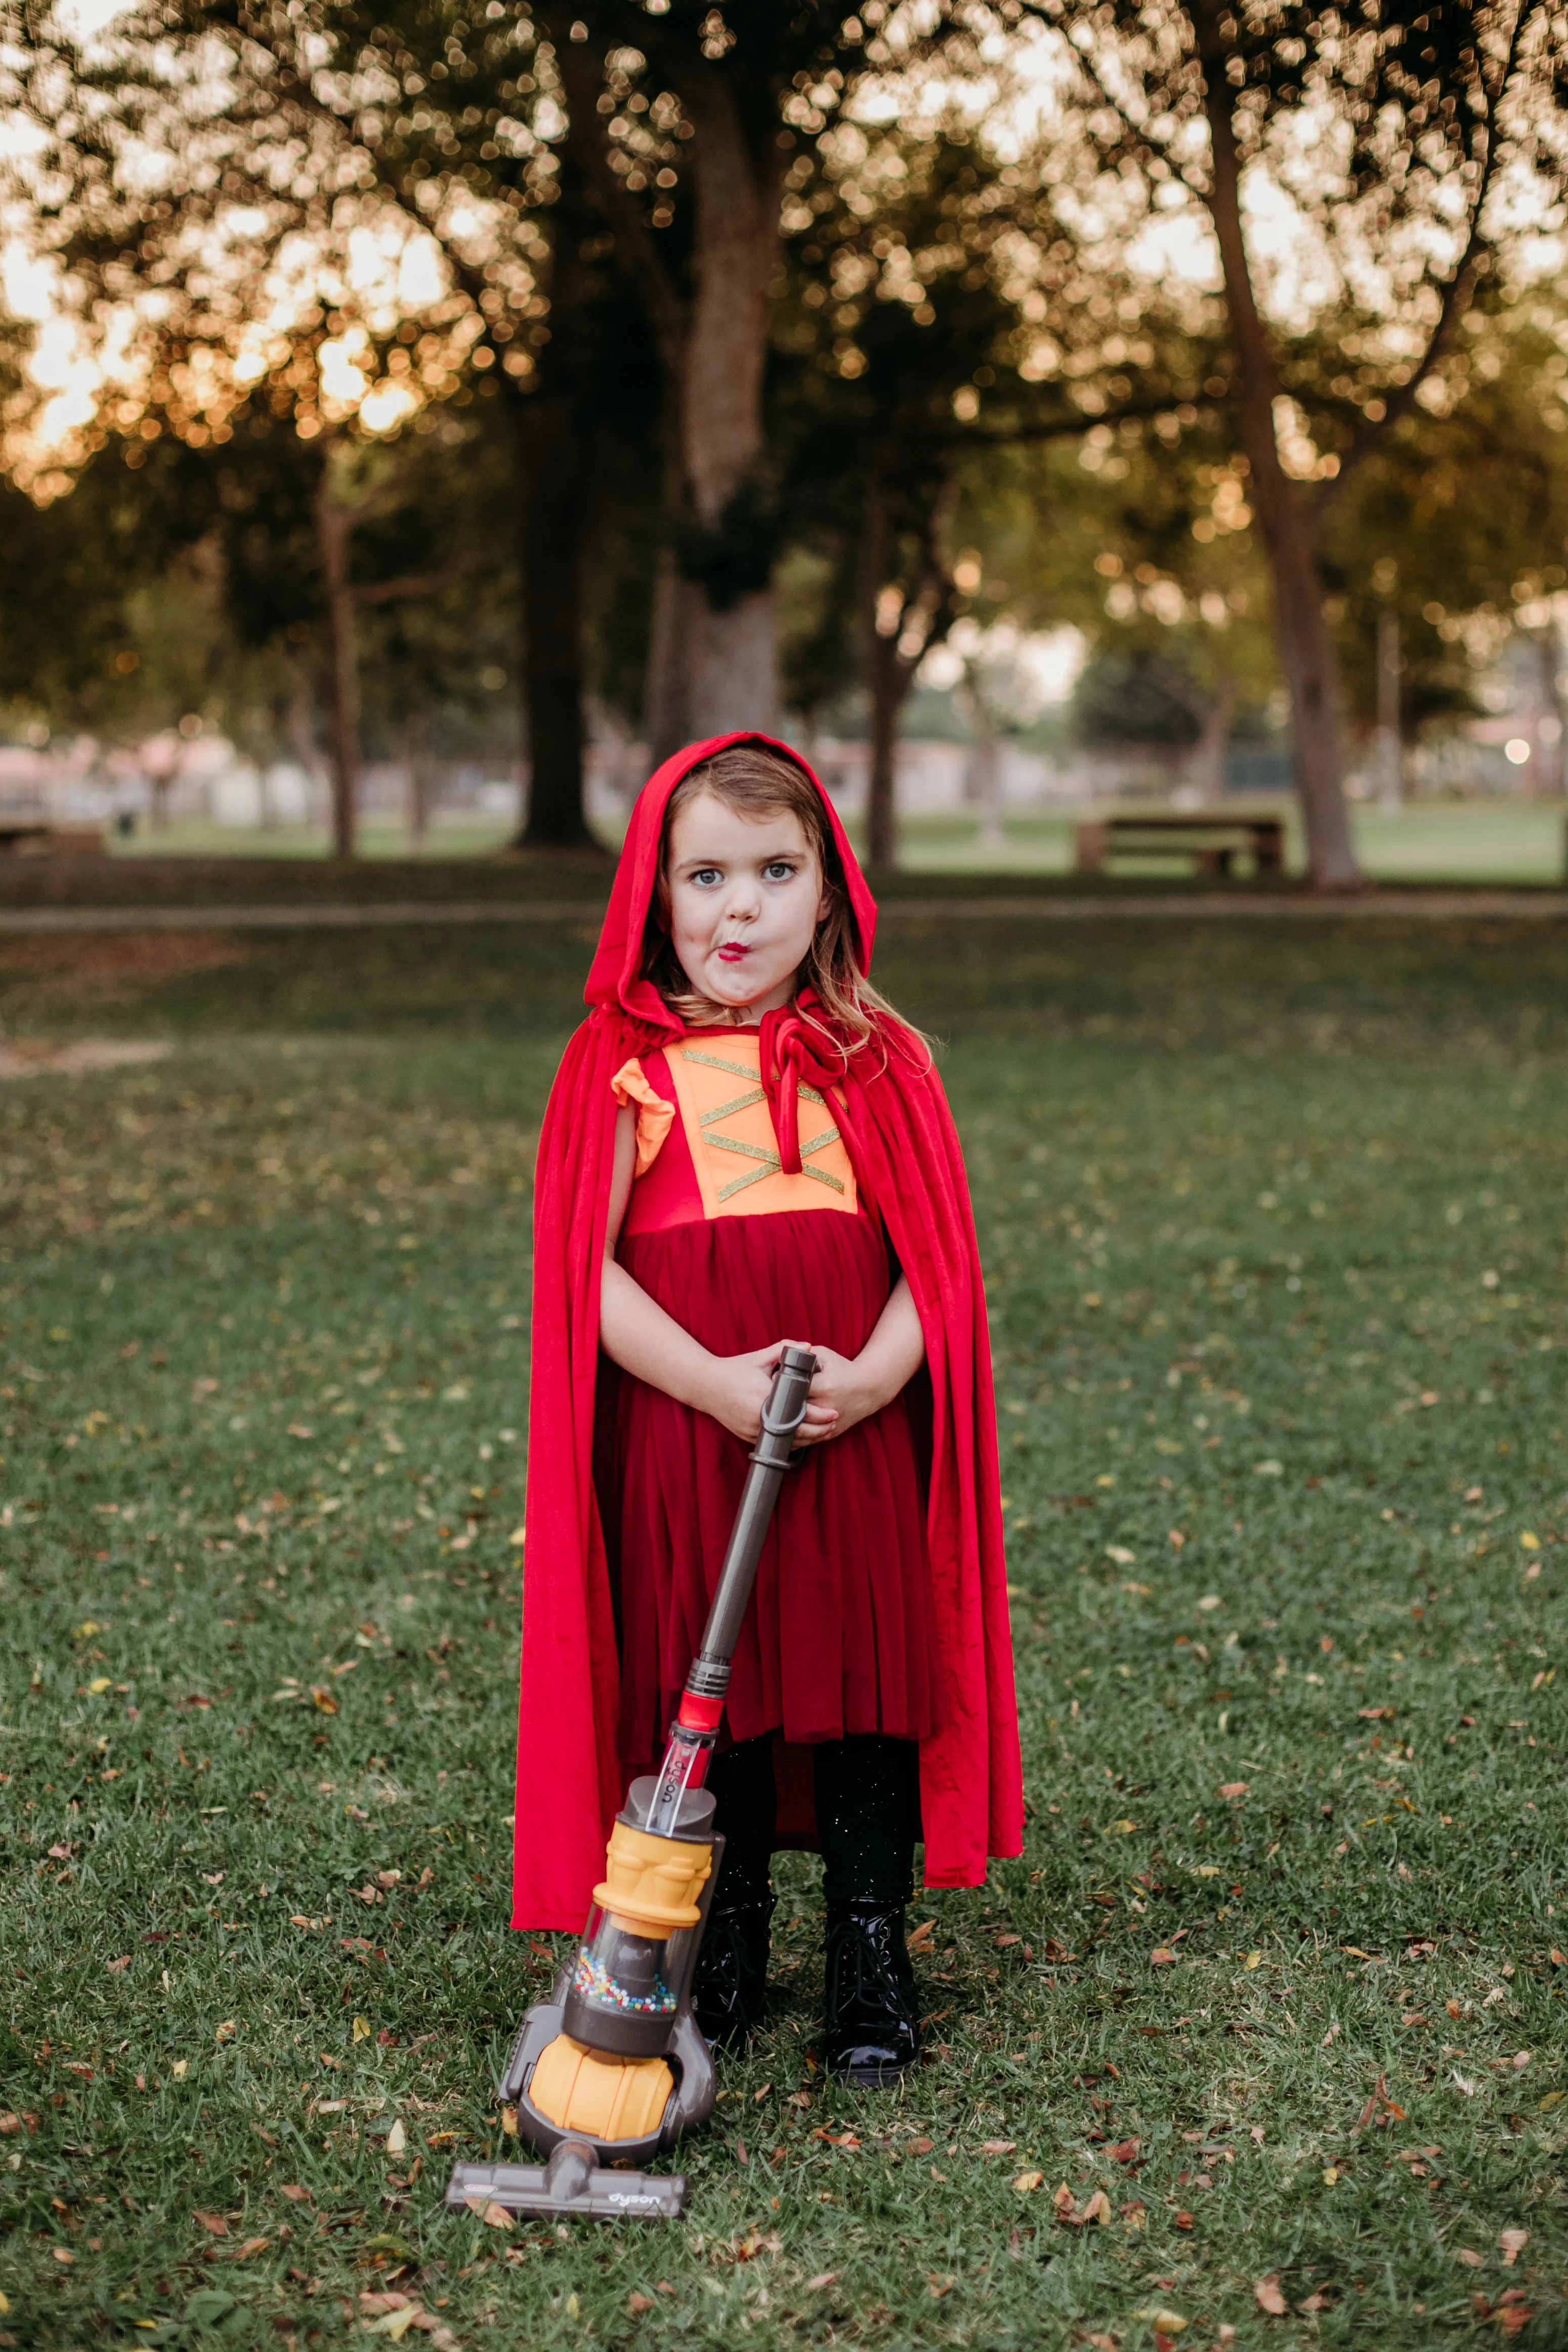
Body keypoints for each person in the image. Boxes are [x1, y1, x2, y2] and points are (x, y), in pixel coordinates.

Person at [514, 732, 1021, 2086]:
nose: (738, 909)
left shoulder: (880, 1058)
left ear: (830, 890)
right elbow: (588, 1282)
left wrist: (882, 1375)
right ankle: (723, 1938)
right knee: (713, 1689)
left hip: (852, 1434)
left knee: (859, 1686)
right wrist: (716, 1384)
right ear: (652, 895)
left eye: (775, 871)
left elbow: (941, 1267)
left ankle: (869, 1943)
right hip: (694, 1436)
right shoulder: (620, 1066)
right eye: (705, 876)